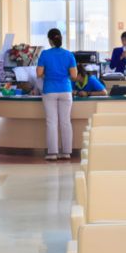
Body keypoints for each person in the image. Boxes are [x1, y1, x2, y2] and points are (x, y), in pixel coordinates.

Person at [36, 28, 77, 161]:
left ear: (49, 40)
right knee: (65, 121)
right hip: (65, 90)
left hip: (50, 90)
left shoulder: (45, 54)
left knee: (51, 122)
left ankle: (52, 153)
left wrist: (48, 74)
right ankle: (66, 152)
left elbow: (39, 73)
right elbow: (74, 75)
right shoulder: (69, 55)